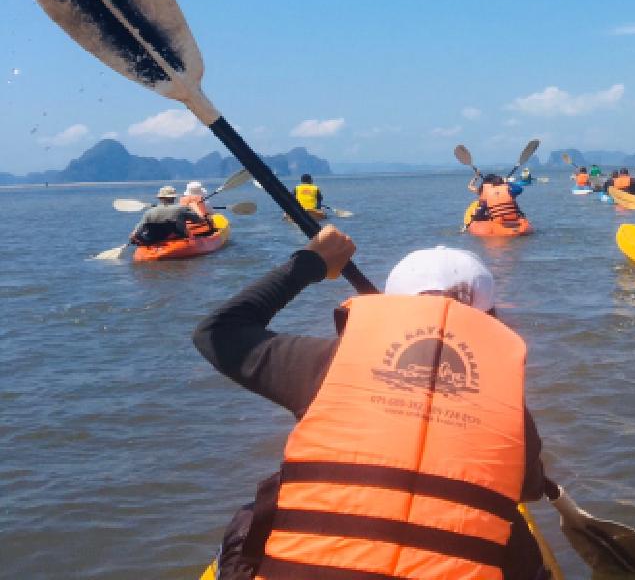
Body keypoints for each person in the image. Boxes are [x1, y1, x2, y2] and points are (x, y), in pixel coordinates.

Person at [193, 229, 551, 579]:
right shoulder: (508, 406)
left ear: (389, 308)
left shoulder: (323, 364)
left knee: (253, 516)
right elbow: (526, 490)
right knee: (513, 529)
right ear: (491, 318)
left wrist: (311, 263)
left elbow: (217, 333)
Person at [129, 185, 213, 246]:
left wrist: (134, 237)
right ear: (173, 198)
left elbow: (137, 232)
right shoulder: (182, 208)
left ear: (160, 198)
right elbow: (199, 220)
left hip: (153, 239)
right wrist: (197, 210)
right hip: (176, 238)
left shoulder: (148, 212)